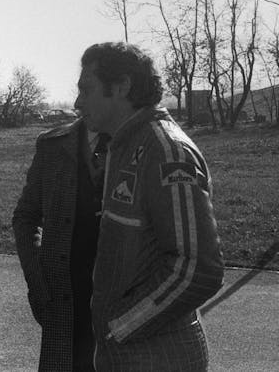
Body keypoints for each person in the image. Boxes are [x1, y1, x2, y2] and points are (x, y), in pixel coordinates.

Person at [75, 42, 224, 370]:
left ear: (122, 86)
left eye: (87, 90)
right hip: (128, 354)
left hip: (158, 358)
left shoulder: (166, 151)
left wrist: (120, 326)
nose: (77, 103)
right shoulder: (126, 146)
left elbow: (197, 268)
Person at [12, 89, 109, 368]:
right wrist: (38, 282)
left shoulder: (142, 149)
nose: (78, 102)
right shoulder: (54, 145)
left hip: (120, 314)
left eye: (88, 89)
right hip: (64, 307)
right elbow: (26, 216)